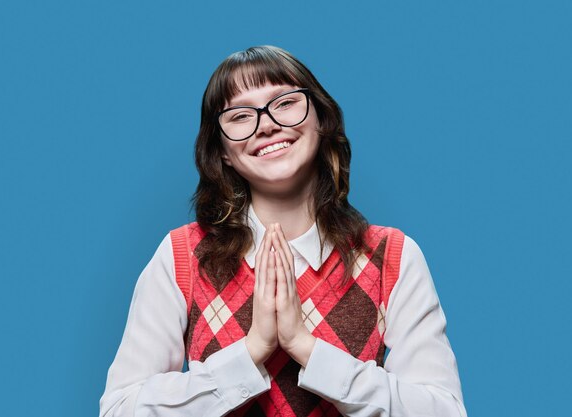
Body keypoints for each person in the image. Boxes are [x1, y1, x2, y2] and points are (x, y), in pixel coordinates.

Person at [99, 45, 467, 417]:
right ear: (223, 150)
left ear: (321, 119)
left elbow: (444, 411)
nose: (266, 124)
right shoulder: (182, 256)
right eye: (241, 115)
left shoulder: (391, 256)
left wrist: (305, 348)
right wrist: (252, 351)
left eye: (285, 102)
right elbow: (118, 410)